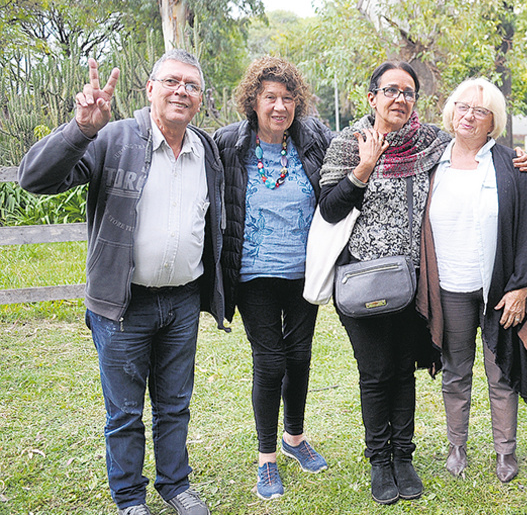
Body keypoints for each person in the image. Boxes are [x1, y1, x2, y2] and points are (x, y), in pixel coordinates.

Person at [17, 50, 223, 515]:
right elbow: (34, 178)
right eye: (170, 81)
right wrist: (81, 129)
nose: (181, 92)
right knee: (125, 413)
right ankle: (130, 498)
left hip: (183, 301)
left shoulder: (205, 150)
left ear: (201, 99)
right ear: (149, 89)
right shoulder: (113, 138)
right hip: (122, 306)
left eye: (191, 85)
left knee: (175, 405)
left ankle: (176, 485)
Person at [317, 61, 449, 505]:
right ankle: (379, 462)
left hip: (412, 281)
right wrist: (364, 168)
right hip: (363, 282)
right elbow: (330, 209)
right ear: (371, 97)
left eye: (409, 92)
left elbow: (476, 148)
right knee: (375, 373)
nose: (400, 99)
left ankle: (404, 457)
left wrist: (519, 159)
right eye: (391, 90)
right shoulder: (346, 144)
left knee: (403, 371)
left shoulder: (430, 142)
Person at [214, 57, 334, 501]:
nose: (279, 106)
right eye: (270, 98)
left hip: (305, 270)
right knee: (270, 361)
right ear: (253, 101)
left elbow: (357, 150)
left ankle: (295, 439)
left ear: (297, 102)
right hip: (253, 273)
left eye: (287, 98)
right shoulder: (229, 143)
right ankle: (267, 459)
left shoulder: (315, 138)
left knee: (299, 356)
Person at [415, 78, 527, 484]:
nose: (469, 115)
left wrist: (521, 286)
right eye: (463, 107)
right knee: (456, 369)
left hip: (497, 290)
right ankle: (457, 445)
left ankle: (505, 451)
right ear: (451, 112)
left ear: (494, 122)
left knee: (500, 371)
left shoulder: (511, 165)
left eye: (481, 110)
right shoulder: (431, 161)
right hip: (449, 287)